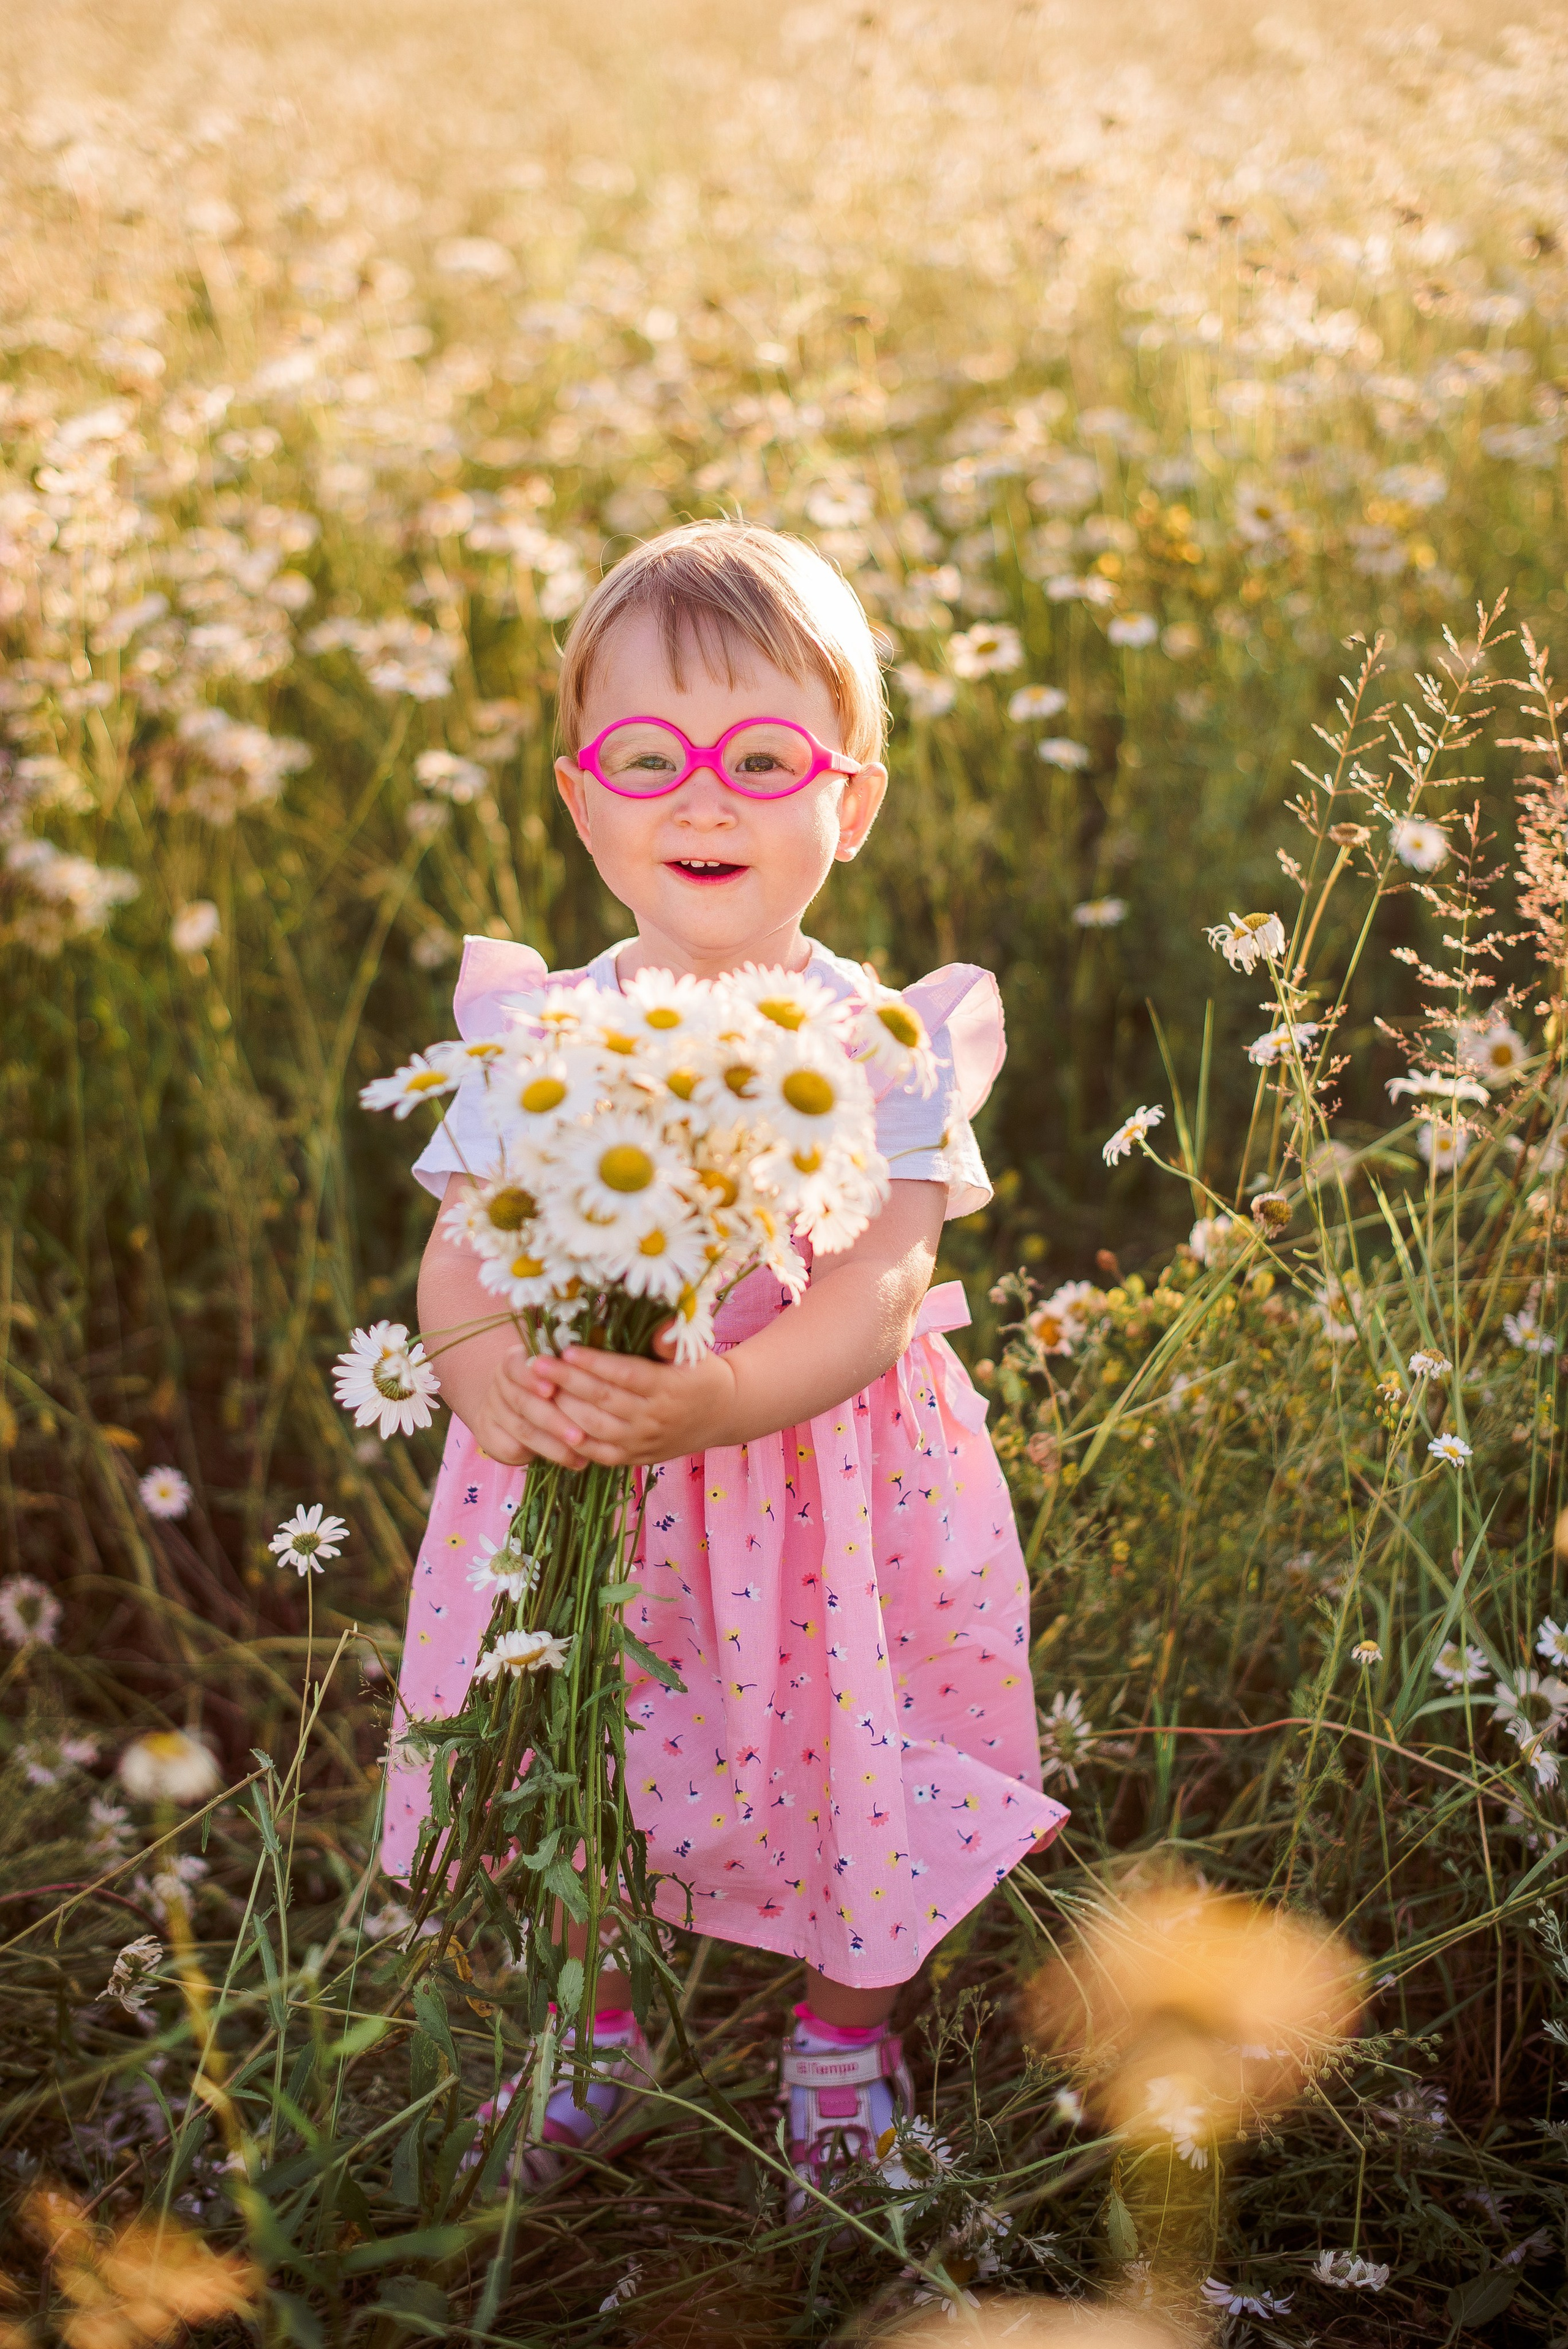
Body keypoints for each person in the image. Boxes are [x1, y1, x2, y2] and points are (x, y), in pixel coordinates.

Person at [381, 520, 1066, 2205]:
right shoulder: (537, 1033)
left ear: (852, 800)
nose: (704, 799)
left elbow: (886, 1279)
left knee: (865, 1734)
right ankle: (587, 2013)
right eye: (651, 757)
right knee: (560, 1729)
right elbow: (461, 1248)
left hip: (832, 1491)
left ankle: (846, 2026)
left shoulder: (885, 1041)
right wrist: (479, 1371)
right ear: (580, 797)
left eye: (763, 758)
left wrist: (724, 1399)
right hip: (588, 1482)